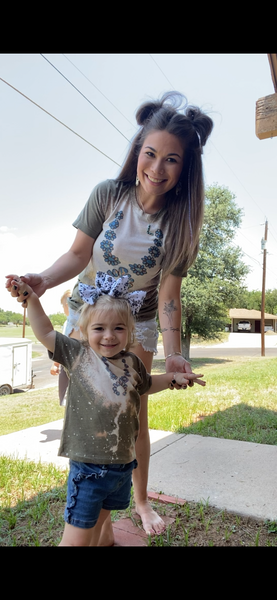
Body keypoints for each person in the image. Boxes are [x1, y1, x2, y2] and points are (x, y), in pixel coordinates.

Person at [6, 91, 213, 539]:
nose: (157, 169)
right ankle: (89, 508)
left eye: (172, 160)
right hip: (88, 317)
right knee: (87, 406)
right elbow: (78, 254)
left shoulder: (183, 222)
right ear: (137, 152)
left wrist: (174, 355)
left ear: (186, 168)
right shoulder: (107, 195)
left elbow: (169, 295)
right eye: (150, 153)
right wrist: (41, 279)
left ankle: (137, 501)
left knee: (130, 409)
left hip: (135, 322)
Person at [9, 273, 205, 546]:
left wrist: (173, 379)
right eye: (99, 328)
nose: (109, 336)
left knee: (100, 526)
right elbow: (45, 332)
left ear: (130, 331)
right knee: (77, 539)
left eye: (119, 328)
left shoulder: (133, 363)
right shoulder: (77, 355)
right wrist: (31, 298)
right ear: (86, 329)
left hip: (122, 467)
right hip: (89, 468)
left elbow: (147, 384)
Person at [50, 289, 71, 405]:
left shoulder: (71, 323)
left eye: (63, 306)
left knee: (69, 398)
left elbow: (64, 346)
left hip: (69, 366)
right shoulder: (67, 323)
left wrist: (56, 363)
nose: (63, 309)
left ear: (67, 305)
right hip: (67, 365)